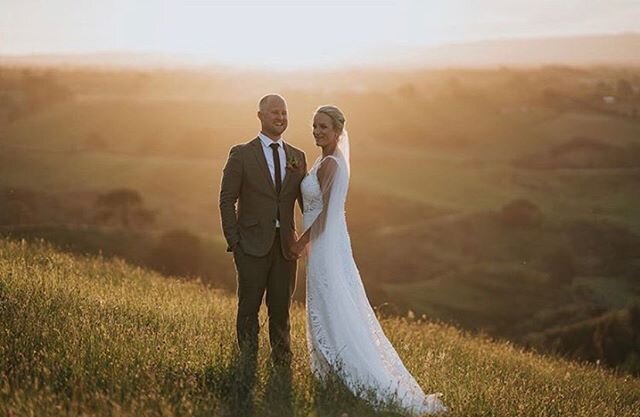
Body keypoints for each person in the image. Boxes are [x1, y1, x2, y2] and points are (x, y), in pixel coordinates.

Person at [292, 105, 447, 415]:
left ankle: (351, 375)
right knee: (331, 304)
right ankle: (331, 374)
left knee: (330, 305)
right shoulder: (326, 161)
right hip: (329, 243)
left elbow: (320, 214)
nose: (317, 131)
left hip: (324, 244)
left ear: (337, 131)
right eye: (314, 126)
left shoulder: (331, 165)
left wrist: (300, 244)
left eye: (323, 127)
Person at [219, 94, 307, 366]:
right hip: (251, 247)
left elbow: (307, 205)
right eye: (274, 113)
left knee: (281, 309)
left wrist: (302, 242)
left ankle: (282, 363)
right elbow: (226, 199)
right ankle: (247, 361)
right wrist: (235, 242)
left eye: (284, 112)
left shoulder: (297, 157)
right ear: (260, 116)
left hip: (285, 248)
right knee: (248, 308)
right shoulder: (242, 154)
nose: (280, 118)